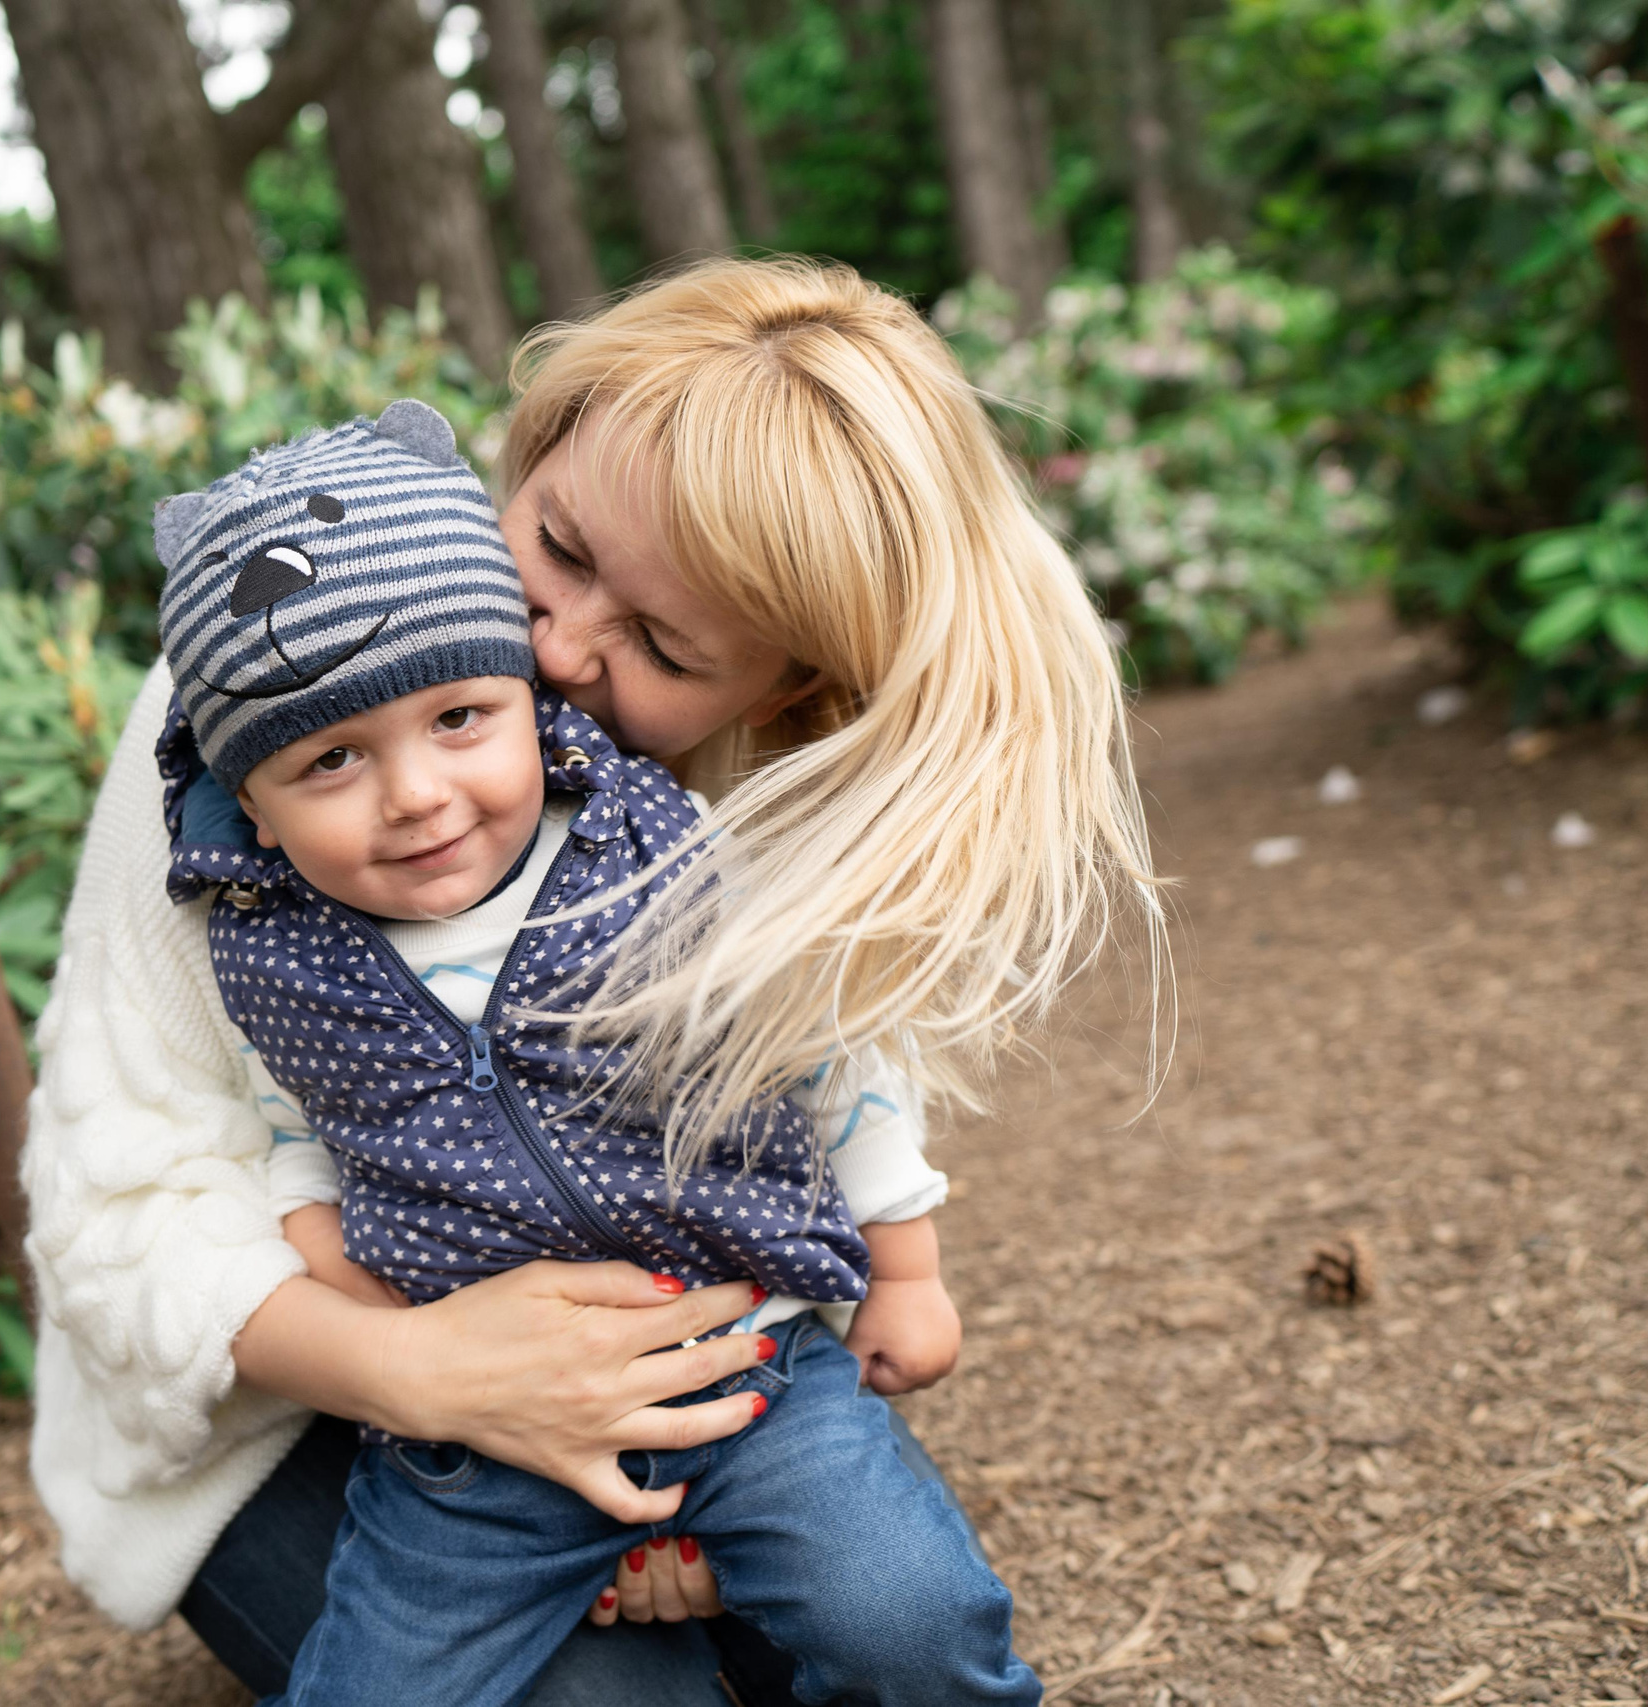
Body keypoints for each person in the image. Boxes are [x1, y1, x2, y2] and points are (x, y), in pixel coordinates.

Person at [19, 256, 1160, 1702]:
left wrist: (670, 1433)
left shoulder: (756, 802)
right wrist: (435, 1382)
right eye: (556, 547)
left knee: (889, 1622)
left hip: (676, 1355)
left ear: (786, 691)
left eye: (663, 648)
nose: (558, 652)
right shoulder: (286, 665)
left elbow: (793, 1140)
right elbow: (112, 1210)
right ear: (539, 444)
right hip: (298, 1392)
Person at [145, 396, 1027, 1707]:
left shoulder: (656, 856)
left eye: (459, 720)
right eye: (331, 761)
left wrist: (906, 1270)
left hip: (750, 1362)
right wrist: (381, 1321)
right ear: (250, 811)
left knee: (901, 1615)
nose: (417, 795)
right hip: (472, 1444)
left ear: (528, 705)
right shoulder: (270, 951)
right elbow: (290, 1143)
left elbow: (827, 1058)